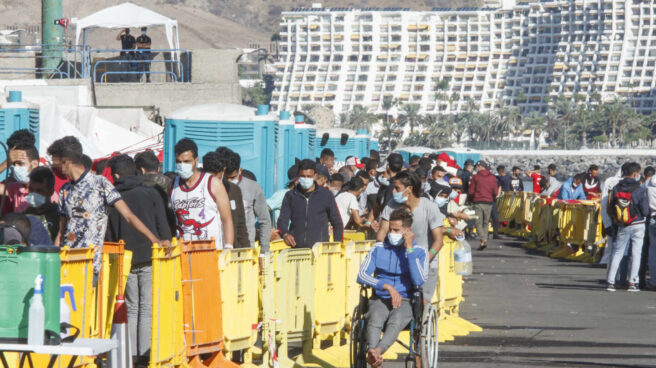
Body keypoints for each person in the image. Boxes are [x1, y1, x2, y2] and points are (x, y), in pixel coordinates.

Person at [55, 149, 168, 275]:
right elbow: (61, 231)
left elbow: (128, 216)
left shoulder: (101, 184)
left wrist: (155, 240)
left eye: (57, 163)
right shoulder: (65, 190)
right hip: (67, 262)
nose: (57, 167)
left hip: (98, 263)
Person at [105, 155, 171, 365]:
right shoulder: (150, 192)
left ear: (115, 175)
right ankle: (145, 355)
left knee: (131, 307)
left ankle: (131, 355)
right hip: (150, 255)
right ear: (135, 171)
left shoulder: (112, 198)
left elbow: (109, 232)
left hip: (125, 259)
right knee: (147, 307)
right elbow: (163, 224)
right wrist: (164, 242)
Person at [358, 208, 428, 368]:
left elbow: (418, 280)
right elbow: (362, 275)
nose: (392, 233)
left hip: (405, 299)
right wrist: (386, 286)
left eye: (396, 230)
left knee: (395, 320)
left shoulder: (419, 252)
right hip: (381, 297)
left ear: (407, 231)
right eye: (390, 229)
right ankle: (374, 357)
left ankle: (377, 351)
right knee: (375, 318)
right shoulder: (378, 249)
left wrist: (409, 249)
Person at [376, 171, 445, 301]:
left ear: (410, 189)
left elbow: (438, 241)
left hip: (425, 263)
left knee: (421, 303)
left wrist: (425, 260)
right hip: (398, 264)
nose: (393, 192)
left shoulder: (429, 207)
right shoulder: (391, 206)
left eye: (397, 188)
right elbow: (381, 233)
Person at [170, 139, 234, 248]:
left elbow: (227, 219)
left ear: (196, 160)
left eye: (186, 161)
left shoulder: (213, 183)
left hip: (211, 254)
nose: (182, 165)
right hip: (184, 255)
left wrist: (228, 247)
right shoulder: (173, 186)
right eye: (178, 162)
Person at [277, 159, 343, 248]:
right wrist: (285, 234)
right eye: (303, 176)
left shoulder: (326, 195)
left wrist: (337, 245)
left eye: (309, 176)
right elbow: (282, 220)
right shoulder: (290, 196)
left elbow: (337, 222)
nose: (306, 179)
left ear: (315, 176)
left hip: (320, 250)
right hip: (296, 249)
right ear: (298, 176)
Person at [606, 162, 649, 292]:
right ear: (635, 174)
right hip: (638, 223)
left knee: (617, 253)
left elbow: (611, 206)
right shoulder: (640, 189)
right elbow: (645, 210)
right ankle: (632, 282)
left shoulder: (616, 188)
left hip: (622, 224)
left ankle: (610, 282)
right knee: (636, 253)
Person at [222, 148, 272, 253]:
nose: (230, 182)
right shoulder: (217, 187)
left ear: (240, 171)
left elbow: (264, 220)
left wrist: (264, 250)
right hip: (222, 247)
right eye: (227, 178)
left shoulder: (253, 187)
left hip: (245, 249)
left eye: (232, 178)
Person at [202, 151, 250, 249]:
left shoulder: (233, 190)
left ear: (223, 171)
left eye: (217, 177)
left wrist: (246, 250)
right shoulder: (198, 191)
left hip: (231, 250)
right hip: (205, 249)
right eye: (210, 177)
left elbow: (241, 226)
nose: (214, 182)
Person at [134, 150, 176, 234]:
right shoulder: (171, 183)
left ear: (141, 170)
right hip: (166, 230)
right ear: (159, 168)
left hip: (142, 231)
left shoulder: (135, 184)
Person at [0, 144, 41, 213]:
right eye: (13, 164)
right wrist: (5, 163)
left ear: (34, 164)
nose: (16, 168)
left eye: (20, 163)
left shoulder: (46, 191)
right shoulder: (17, 188)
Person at [469, 160, 499, 250]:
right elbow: (495, 192)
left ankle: (483, 239)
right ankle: (484, 239)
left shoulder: (476, 177)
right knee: (486, 222)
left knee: (478, 222)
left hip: (478, 201)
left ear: (479, 167)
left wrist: (470, 199)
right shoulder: (493, 178)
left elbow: (471, 191)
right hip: (489, 202)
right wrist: (491, 196)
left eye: (477, 167)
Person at [23, 167, 60, 241]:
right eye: (31, 189)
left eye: (39, 190)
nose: (34, 194)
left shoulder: (59, 216)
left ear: (51, 192)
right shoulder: (25, 216)